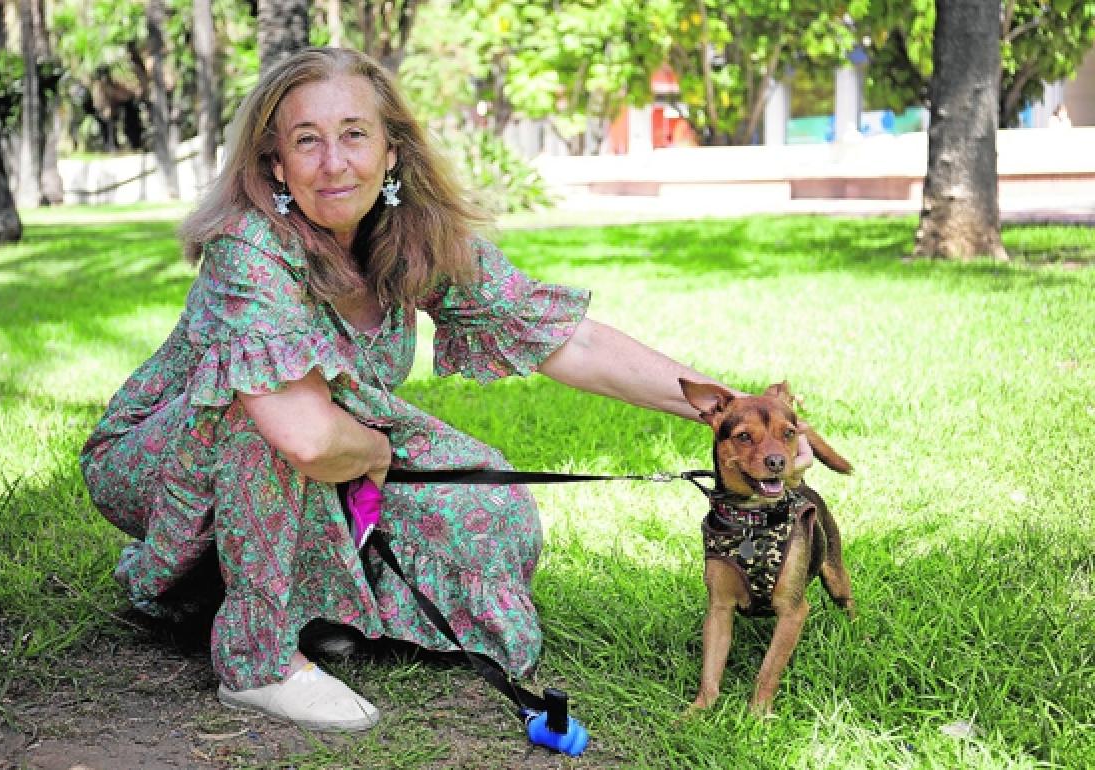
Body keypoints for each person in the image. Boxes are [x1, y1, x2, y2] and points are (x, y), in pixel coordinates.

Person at [80, 46, 815, 733]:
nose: (334, 163)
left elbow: (569, 339)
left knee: (492, 510)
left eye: (354, 135)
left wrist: (726, 411)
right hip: (168, 454)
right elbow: (302, 433)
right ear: (274, 161)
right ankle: (258, 658)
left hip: (323, 441)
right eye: (306, 140)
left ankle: (320, 601)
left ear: (391, 150)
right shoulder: (249, 244)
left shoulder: (411, 237)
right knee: (262, 409)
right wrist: (371, 447)